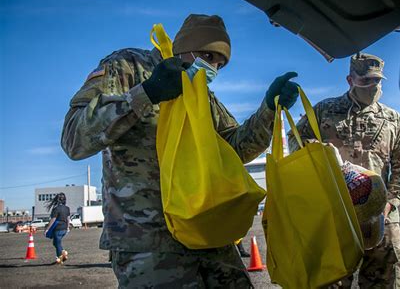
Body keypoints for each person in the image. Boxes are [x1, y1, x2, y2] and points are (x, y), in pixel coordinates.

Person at [61, 14, 299, 288]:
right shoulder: (128, 66)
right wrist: (146, 93)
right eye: (207, 56)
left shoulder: (202, 92)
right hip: (149, 240)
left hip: (205, 227)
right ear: (182, 46)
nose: (212, 68)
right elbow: (73, 138)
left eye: (219, 64)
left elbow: (233, 148)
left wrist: (268, 110)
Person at [289, 53, 400, 288]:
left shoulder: (393, 119)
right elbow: (294, 139)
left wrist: (389, 203)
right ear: (350, 80)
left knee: (386, 281)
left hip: (382, 216)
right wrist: (310, 147)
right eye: (366, 81)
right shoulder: (325, 110)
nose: (373, 86)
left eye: (377, 81)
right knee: (330, 281)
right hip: (336, 216)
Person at [44, 192, 71, 264]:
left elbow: (53, 219)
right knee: (55, 243)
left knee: (57, 243)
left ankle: (62, 254)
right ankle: (60, 258)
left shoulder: (56, 209)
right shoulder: (67, 208)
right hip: (64, 228)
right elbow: (68, 219)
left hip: (58, 228)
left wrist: (47, 229)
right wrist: (68, 227)